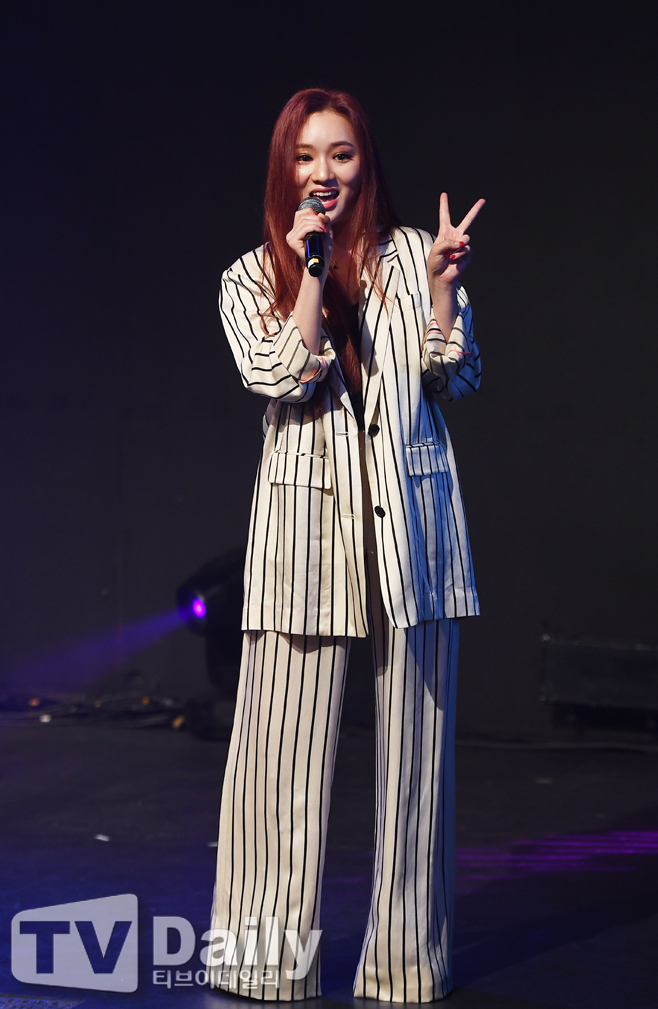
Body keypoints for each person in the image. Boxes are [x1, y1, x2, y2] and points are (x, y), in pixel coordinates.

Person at [208, 87, 484, 1003]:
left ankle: (407, 963)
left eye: (340, 154)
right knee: (277, 764)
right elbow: (279, 374)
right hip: (303, 541)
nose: (322, 173)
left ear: (365, 164)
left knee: (417, 769)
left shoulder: (414, 254)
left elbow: (457, 378)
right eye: (305, 157)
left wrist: (443, 292)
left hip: (413, 533)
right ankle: (263, 959)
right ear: (283, 169)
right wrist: (310, 273)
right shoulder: (250, 275)